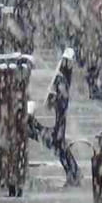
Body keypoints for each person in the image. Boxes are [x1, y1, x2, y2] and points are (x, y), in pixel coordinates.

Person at [27, 48, 81, 187]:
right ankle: (74, 173)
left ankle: (74, 173)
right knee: (60, 147)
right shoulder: (63, 79)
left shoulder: (60, 80)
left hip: (55, 124)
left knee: (58, 146)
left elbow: (52, 102)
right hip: (57, 124)